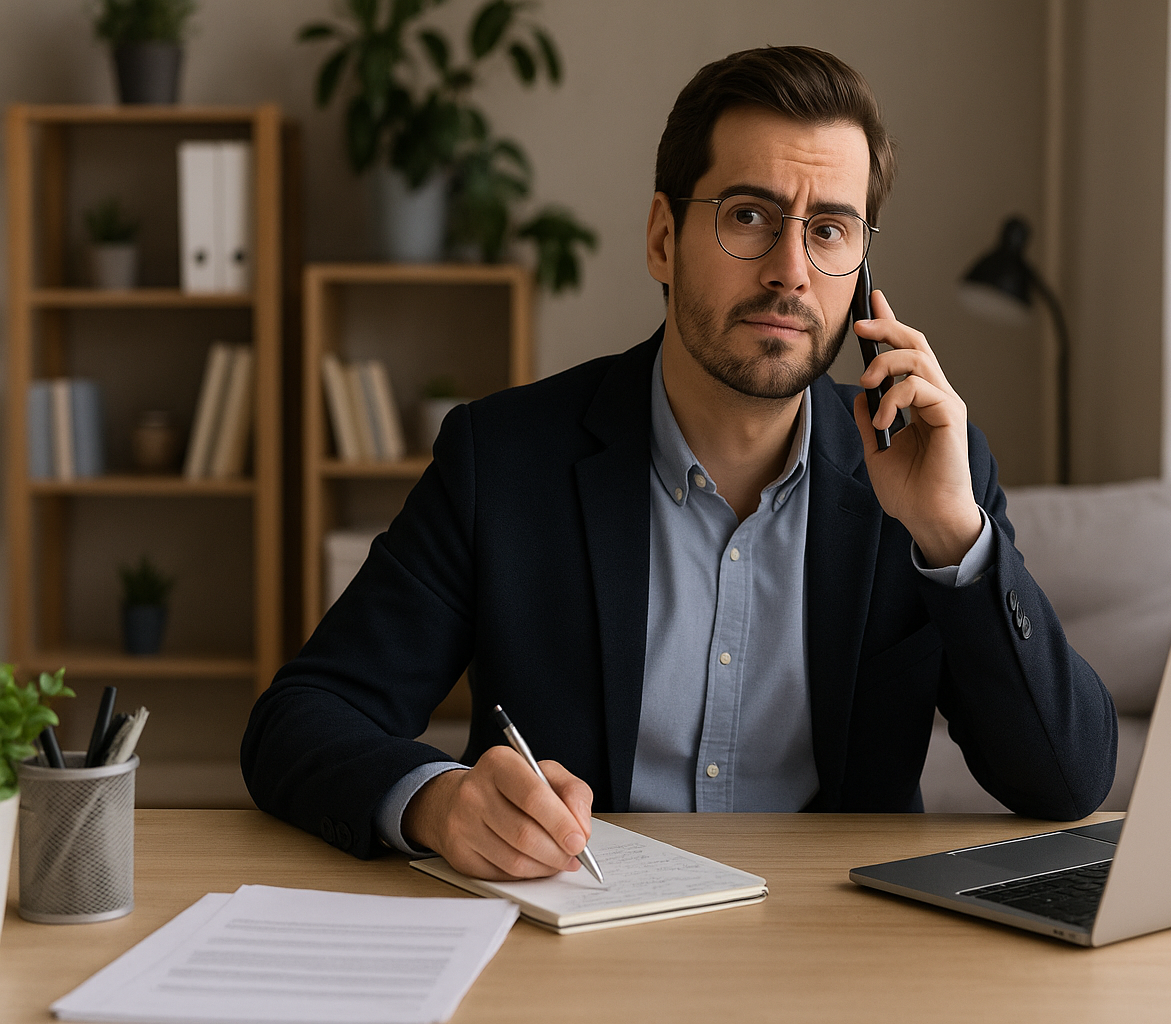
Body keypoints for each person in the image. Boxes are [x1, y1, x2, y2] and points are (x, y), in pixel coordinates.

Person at [242, 45, 1116, 881]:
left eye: (828, 231)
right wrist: (438, 803)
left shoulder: (927, 471)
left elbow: (1066, 782)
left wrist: (952, 536)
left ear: (860, 271)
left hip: (836, 940)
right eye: (749, 217)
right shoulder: (502, 460)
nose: (790, 272)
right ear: (663, 238)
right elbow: (302, 717)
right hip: (579, 929)